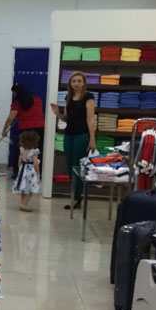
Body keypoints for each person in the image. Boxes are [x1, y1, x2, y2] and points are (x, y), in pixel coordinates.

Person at [50, 72, 97, 210]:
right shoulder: (68, 97)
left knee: (78, 166)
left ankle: (77, 198)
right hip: (68, 135)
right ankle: (75, 196)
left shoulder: (88, 97)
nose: (76, 83)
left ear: (83, 83)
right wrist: (57, 113)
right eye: (74, 81)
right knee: (70, 166)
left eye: (79, 81)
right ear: (70, 83)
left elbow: (90, 119)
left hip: (81, 135)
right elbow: (66, 118)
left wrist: (92, 139)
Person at [2, 83, 45, 178]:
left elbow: (11, 118)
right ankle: (36, 174)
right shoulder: (37, 100)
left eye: (13, 93)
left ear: (16, 92)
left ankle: (18, 173)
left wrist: (4, 130)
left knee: (21, 153)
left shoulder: (17, 102)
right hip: (40, 129)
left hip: (26, 130)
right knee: (36, 153)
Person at [12, 130, 42, 212]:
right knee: (30, 189)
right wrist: (37, 172)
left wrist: (20, 169)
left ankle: (22, 202)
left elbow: (19, 161)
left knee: (23, 188)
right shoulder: (34, 151)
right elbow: (35, 163)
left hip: (23, 170)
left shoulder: (22, 150)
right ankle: (24, 204)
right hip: (31, 171)